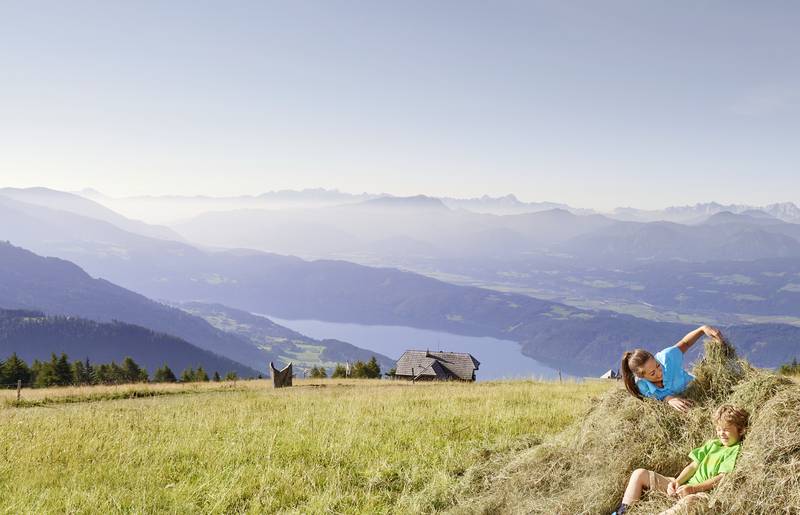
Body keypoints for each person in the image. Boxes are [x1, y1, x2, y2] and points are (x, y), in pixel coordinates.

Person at [612, 404, 749, 515]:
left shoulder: (734, 450)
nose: (721, 434)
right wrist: (676, 482)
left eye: (725, 429)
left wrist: (693, 489)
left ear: (741, 430)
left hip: (701, 493)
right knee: (640, 473)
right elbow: (693, 467)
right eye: (718, 429)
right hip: (684, 487)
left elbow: (721, 478)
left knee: (690, 503)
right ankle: (623, 512)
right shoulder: (713, 444)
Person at [620, 325, 723, 412]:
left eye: (657, 366)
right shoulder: (643, 387)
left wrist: (703, 329)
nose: (659, 373)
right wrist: (668, 399)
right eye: (652, 373)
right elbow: (655, 403)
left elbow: (685, 343)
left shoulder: (667, 358)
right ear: (641, 376)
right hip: (688, 407)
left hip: (698, 388)